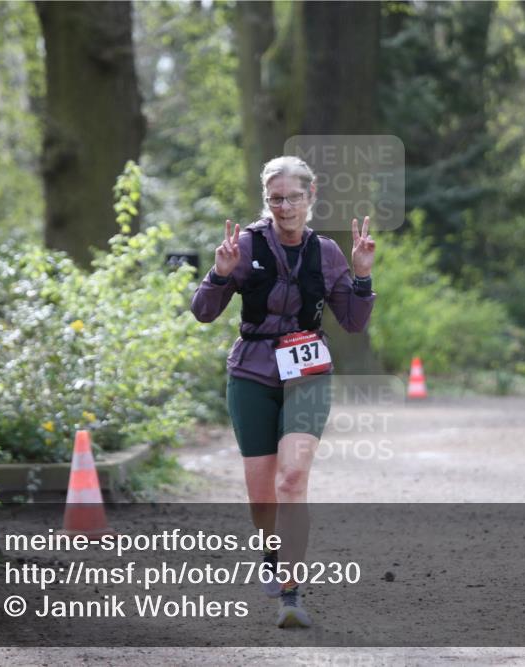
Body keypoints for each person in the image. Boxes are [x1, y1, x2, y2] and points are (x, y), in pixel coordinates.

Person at [190, 155, 376, 628]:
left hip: (307, 372)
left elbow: (353, 322)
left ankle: (291, 595)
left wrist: (361, 275)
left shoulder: (327, 253)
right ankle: (270, 553)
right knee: (261, 499)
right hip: (252, 373)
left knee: (291, 479)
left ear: (311, 196)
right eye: (276, 199)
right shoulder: (245, 245)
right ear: (266, 200)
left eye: (294, 197)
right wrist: (219, 273)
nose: (285, 207)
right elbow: (203, 312)